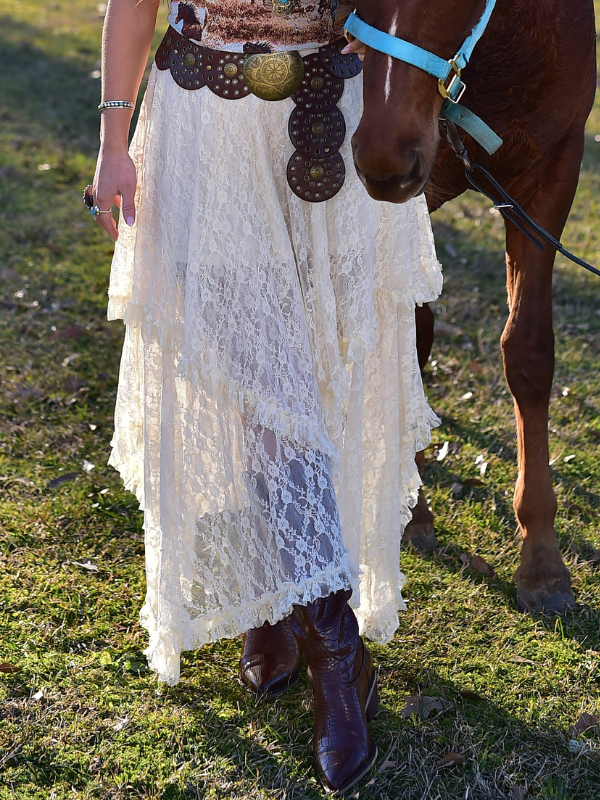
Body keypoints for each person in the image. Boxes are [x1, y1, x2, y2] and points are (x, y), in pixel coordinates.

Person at [88, 0, 442, 793]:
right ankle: (336, 660)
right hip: (204, 126)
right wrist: (114, 141)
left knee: (318, 366)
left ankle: (275, 592)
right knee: (256, 368)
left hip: (334, 113)